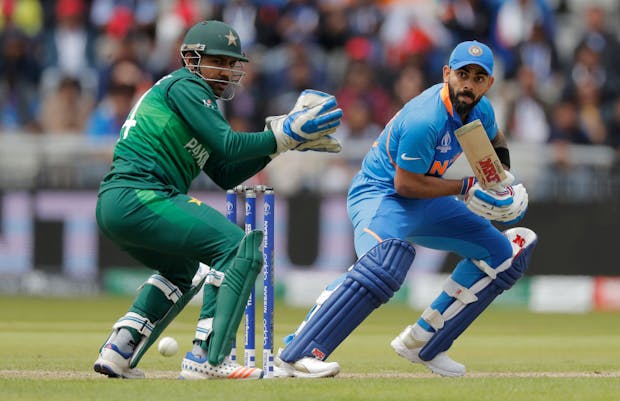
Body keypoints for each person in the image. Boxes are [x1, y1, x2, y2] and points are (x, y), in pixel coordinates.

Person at [92, 20, 343, 380]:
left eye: (231, 64)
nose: (227, 71)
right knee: (238, 248)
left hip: (123, 202)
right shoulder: (186, 85)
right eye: (219, 62)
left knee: (180, 272)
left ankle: (120, 349)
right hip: (139, 194)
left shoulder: (195, 101)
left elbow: (225, 171)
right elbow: (227, 143)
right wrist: (282, 133)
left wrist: (281, 144)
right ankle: (209, 357)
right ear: (192, 59)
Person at [275, 40, 537, 378]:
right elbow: (405, 185)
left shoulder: (481, 109)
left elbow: (495, 139)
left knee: (501, 255)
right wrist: (466, 187)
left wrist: (499, 181)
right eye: (462, 74)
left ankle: (424, 343)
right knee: (383, 265)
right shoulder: (425, 117)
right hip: (381, 196)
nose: (468, 83)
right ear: (447, 74)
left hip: (426, 200)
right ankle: (297, 351)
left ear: (489, 83)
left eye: (478, 77)